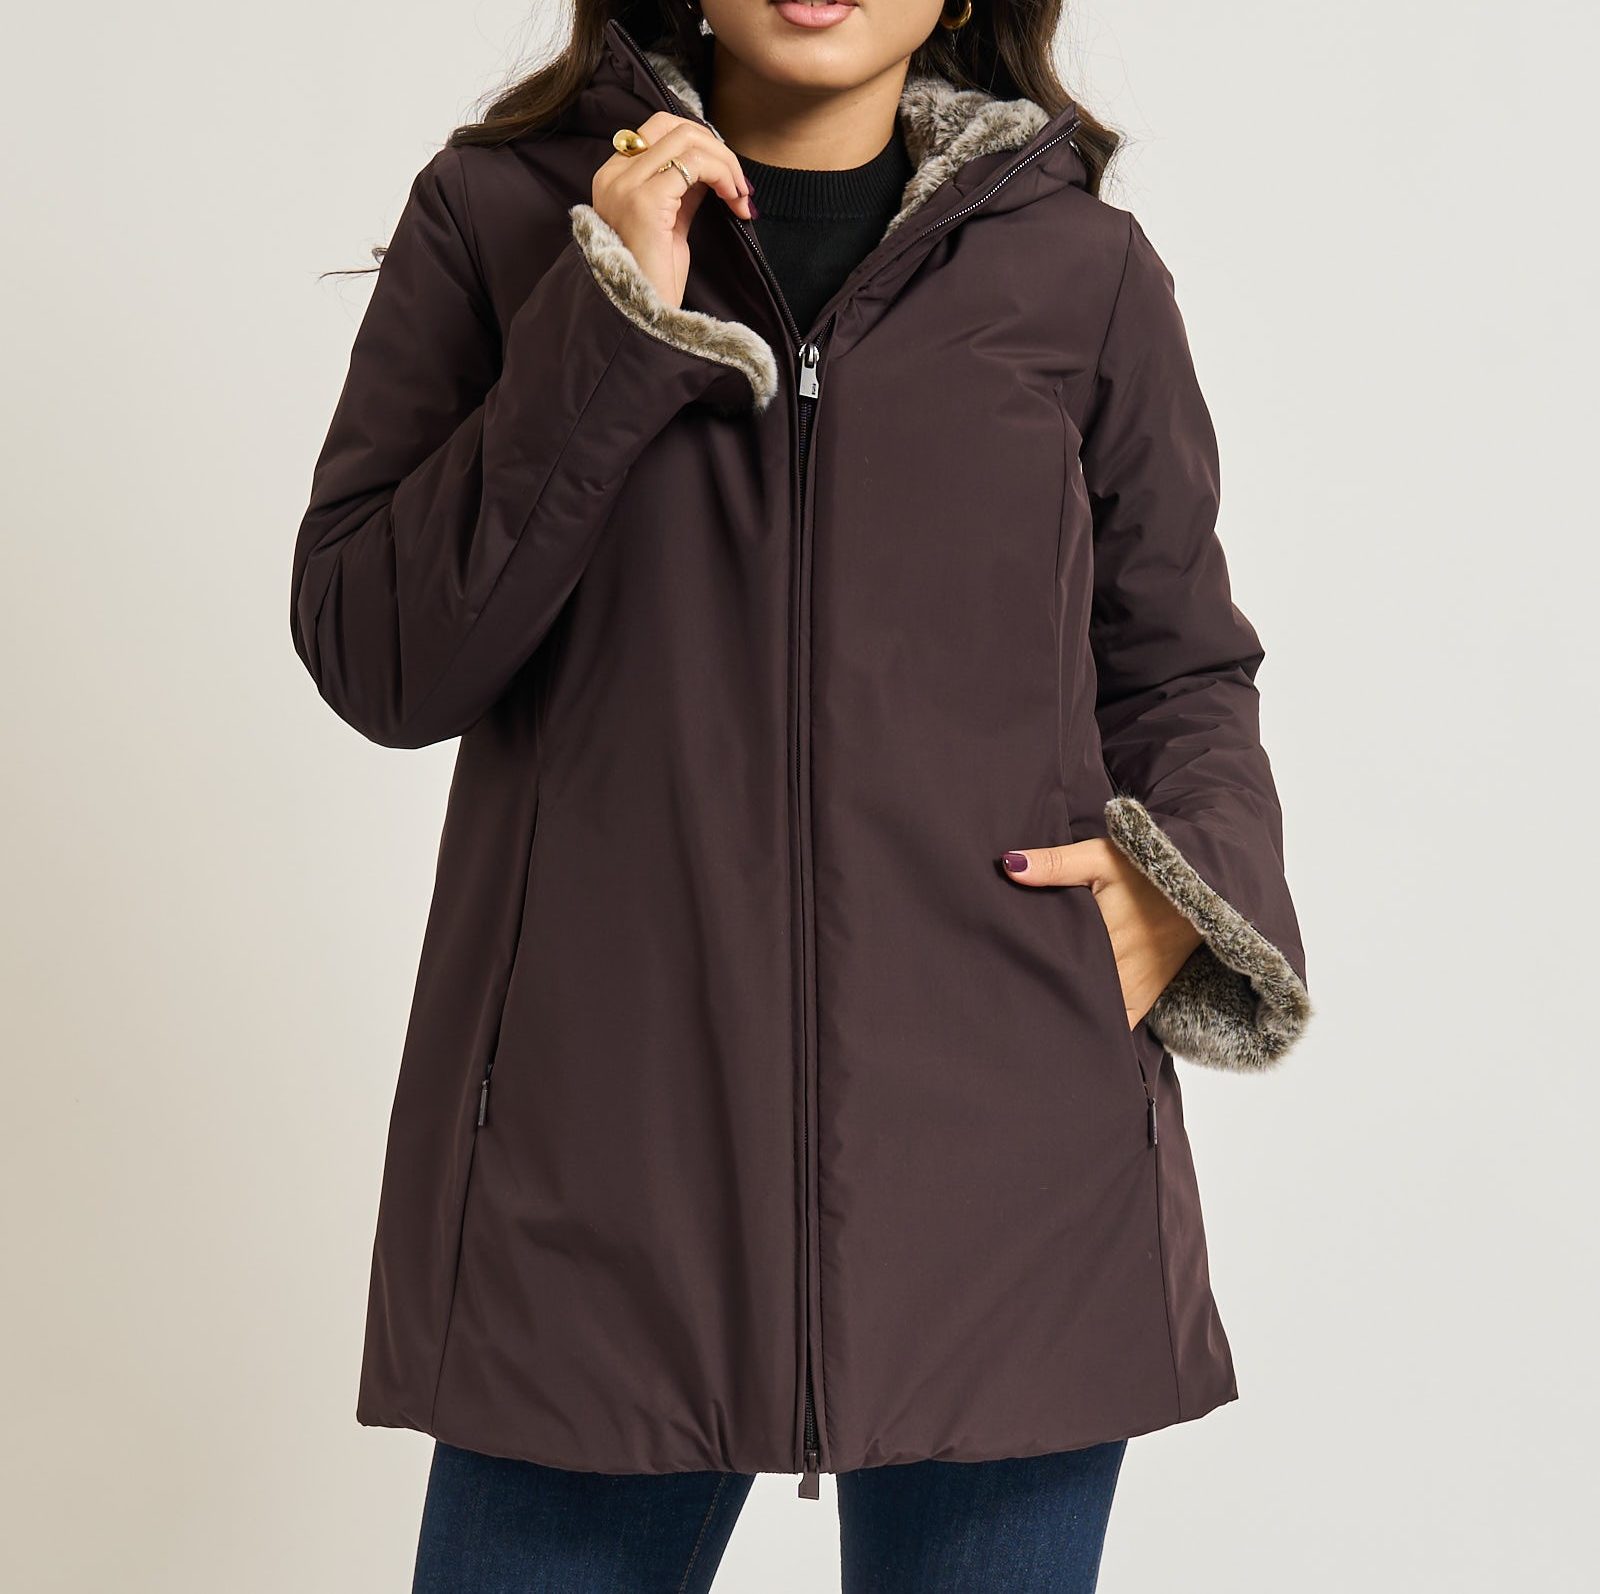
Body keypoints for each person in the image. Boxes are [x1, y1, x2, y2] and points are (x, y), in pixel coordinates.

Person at [289, 1, 1313, 1588]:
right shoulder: (499, 221)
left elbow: (1182, 666)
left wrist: (1177, 893)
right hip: (594, 1172)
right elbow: (385, 657)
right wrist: (611, 309)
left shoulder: (1084, 273)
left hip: (1010, 1173)